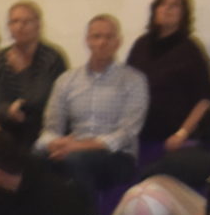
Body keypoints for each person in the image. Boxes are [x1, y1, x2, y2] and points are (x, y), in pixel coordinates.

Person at [37, 14, 151, 200]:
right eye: (96, 37)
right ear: (87, 41)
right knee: (34, 158)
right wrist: (54, 143)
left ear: (118, 42)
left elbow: (127, 133)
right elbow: (51, 126)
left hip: (117, 157)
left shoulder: (134, 80)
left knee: (77, 160)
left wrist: (79, 147)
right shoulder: (67, 80)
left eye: (108, 37)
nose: (102, 42)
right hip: (72, 149)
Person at [126, 0, 210, 159]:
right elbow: (125, 88)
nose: (167, 9)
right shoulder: (140, 46)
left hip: (174, 140)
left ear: (183, 14)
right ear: (155, 10)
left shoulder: (189, 49)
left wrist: (182, 133)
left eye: (174, 5)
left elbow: (205, 98)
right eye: (162, 4)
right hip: (138, 135)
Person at [0, 1, 67, 145]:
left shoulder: (51, 57)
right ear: (9, 27)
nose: (20, 27)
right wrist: (8, 111)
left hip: (43, 124)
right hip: (8, 124)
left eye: (27, 22)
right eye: (15, 22)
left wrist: (23, 72)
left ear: (38, 25)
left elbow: (39, 100)